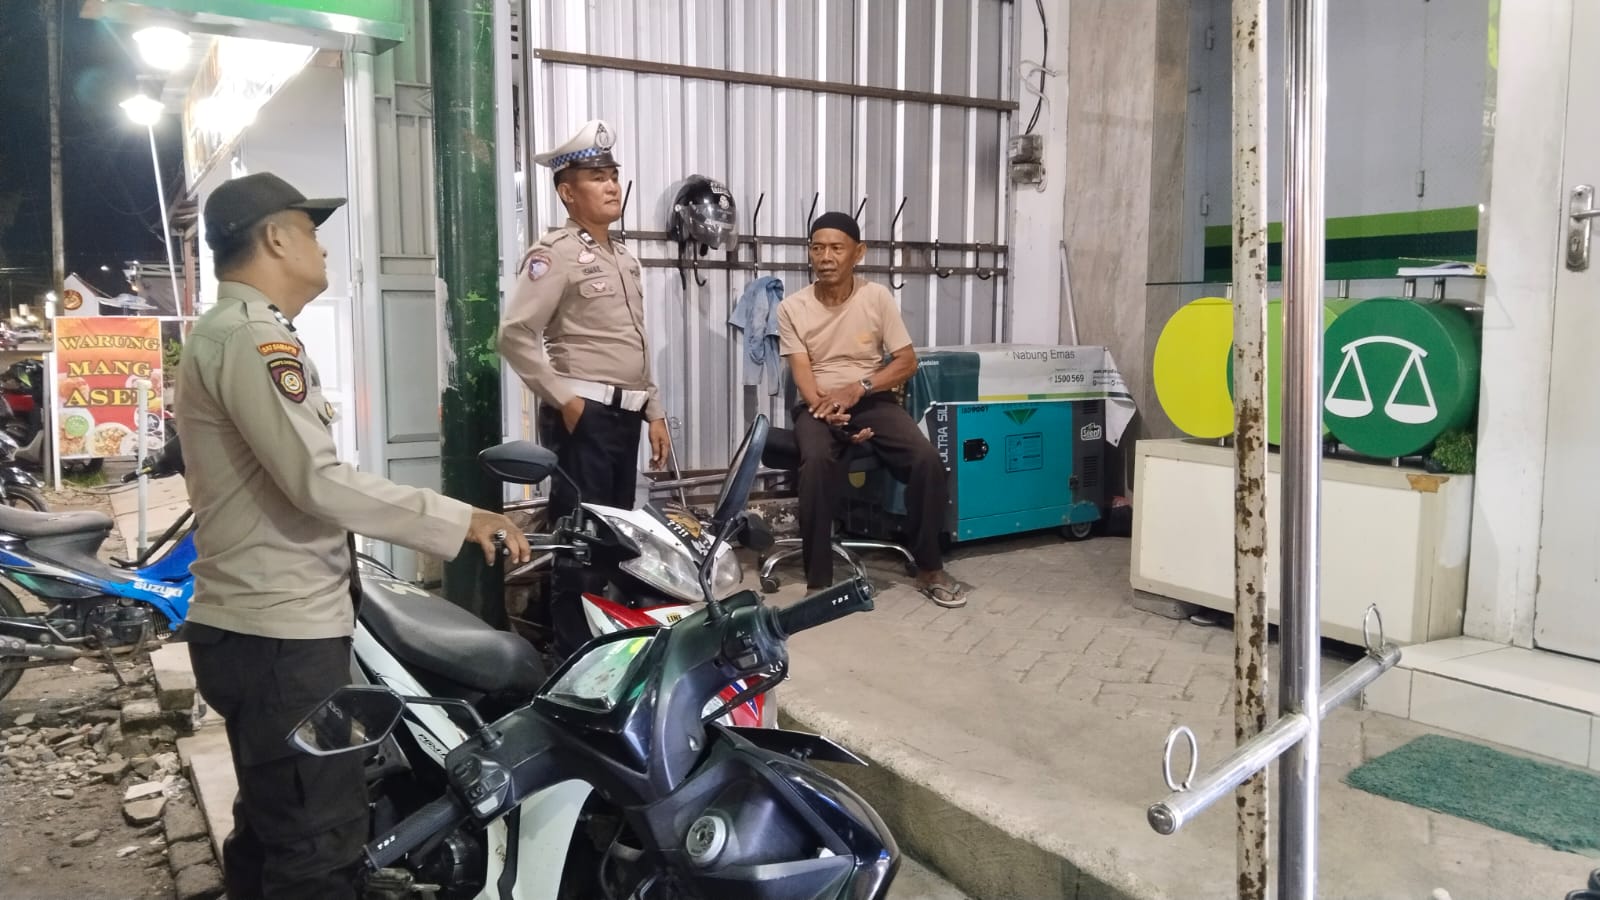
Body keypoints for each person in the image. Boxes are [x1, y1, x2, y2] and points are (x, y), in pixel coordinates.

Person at [175, 171, 531, 900]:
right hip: (280, 637)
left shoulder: (235, 332)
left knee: (272, 828)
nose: (324, 249)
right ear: (277, 238)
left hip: (262, 629)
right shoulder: (249, 337)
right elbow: (319, 481)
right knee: (319, 847)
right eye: (311, 232)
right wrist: (462, 519)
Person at [499, 119, 670, 649]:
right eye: (597, 177)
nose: (612, 185)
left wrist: (654, 410)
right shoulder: (554, 255)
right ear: (567, 193)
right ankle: (570, 649)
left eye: (613, 174)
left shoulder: (623, 257)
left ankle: (604, 643)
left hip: (626, 416)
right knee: (580, 539)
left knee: (614, 536)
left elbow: (634, 344)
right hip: (584, 416)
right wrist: (566, 401)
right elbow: (514, 335)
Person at [777, 211, 968, 607]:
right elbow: (803, 375)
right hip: (818, 406)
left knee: (927, 461)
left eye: (836, 248)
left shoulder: (876, 298)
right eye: (817, 248)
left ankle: (929, 567)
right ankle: (819, 582)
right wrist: (827, 411)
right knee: (816, 460)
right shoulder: (792, 308)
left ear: (858, 252)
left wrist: (859, 388)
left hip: (871, 399)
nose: (826, 257)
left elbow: (906, 362)